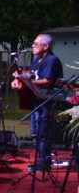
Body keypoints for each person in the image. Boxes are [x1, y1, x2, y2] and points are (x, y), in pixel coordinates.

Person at [12, 33, 64, 170]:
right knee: (36, 132)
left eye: (36, 44)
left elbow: (47, 82)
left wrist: (27, 81)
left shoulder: (52, 60)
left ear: (46, 46)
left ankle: (45, 162)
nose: (32, 46)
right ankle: (41, 159)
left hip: (47, 101)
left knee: (43, 133)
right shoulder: (37, 60)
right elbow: (30, 74)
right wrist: (18, 80)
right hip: (37, 100)